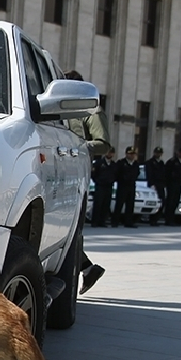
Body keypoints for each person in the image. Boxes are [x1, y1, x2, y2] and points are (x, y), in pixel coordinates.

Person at [61, 70, 108, 291]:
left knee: (70, 228)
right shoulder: (61, 109)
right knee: (60, 227)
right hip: (57, 170)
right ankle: (88, 268)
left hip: (77, 173)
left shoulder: (92, 110)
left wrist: (77, 147)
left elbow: (103, 143)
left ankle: (86, 269)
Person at [113, 147, 140, 227]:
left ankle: (128, 222)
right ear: (126, 154)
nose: (132, 156)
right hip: (122, 186)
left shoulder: (135, 164)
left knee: (130, 205)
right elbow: (117, 173)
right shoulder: (121, 163)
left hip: (131, 186)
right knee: (119, 204)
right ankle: (115, 221)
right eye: (130, 154)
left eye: (133, 154)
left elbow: (137, 173)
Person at [90, 147, 116, 228]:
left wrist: (112, 181)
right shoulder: (99, 163)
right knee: (98, 204)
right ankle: (95, 222)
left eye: (111, 153)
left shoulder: (113, 164)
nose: (110, 154)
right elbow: (93, 173)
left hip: (109, 186)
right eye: (108, 152)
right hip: (100, 186)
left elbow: (116, 174)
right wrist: (97, 181)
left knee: (106, 204)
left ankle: (102, 221)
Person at [163, 147, 181, 225]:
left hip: (179, 184)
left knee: (176, 201)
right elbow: (167, 173)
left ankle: (172, 219)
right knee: (170, 202)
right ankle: (168, 220)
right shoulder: (172, 162)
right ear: (177, 153)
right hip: (171, 184)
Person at [145, 147, 167, 226]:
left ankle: (156, 218)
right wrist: (151, 184)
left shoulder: (161, 163)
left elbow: (164, 174)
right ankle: (152, 219)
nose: (158, 154)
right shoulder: (150, 162)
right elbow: (149, 174)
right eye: (157, 153)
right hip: (154, 185)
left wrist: (164, 184)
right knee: (154, 202)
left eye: (160, 153)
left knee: (162, 202)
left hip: (161, 185)